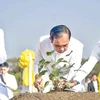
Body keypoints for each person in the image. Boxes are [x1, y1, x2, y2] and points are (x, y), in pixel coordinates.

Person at [34, 25, 84, 93]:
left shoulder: (78, 46)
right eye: (57, 46)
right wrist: (38, 77)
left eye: (65, 45)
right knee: (45, 91)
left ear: (69, 39)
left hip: (70, 78)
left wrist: (65, 83)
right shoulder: (42, 43)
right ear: (51, 40)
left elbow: (75, 68)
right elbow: (38, 63)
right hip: (49, 77)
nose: (61, 49)